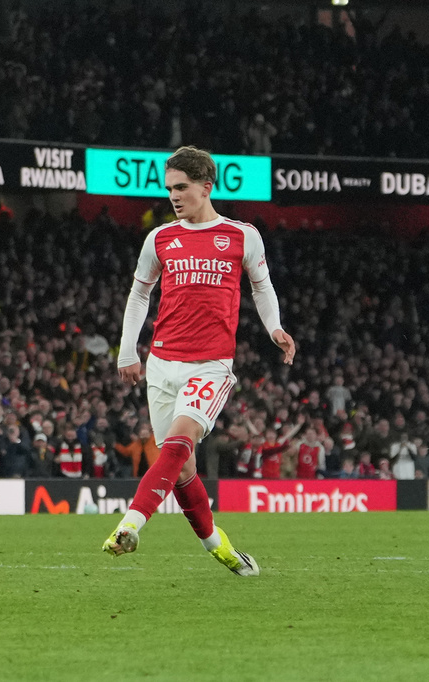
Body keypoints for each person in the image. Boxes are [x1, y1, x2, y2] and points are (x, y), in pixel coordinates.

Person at [103, 145, 295, 578]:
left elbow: (262, 286)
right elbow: (139, 293)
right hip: (161, 362)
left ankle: (130, 524)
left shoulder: (242, 235)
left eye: (181, 187)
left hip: (211, 365)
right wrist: (128, 350)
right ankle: (218, 546)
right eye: (169, 188)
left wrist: (275, 328)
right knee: (182, 467)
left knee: (179, 442)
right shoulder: (159, 238)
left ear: (206, 187)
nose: (173, 196)